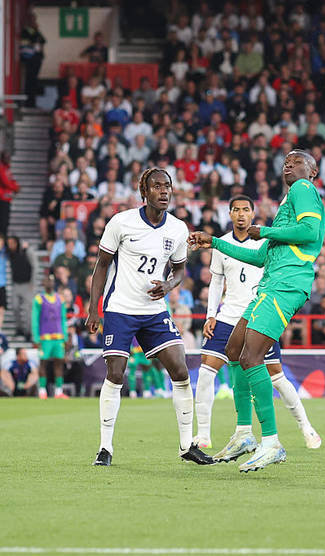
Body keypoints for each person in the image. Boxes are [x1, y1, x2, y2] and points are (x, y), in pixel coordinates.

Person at [189, 150, 325, 472]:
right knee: (234, 350)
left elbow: (310, 234)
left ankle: (271, 442)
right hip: (270, 283)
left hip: (287, 284)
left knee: (251, 357)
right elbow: (259, 257)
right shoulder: (286, 206)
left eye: (297, 160)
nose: (288, 164)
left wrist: (265, 231)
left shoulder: (303, 190)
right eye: (286, 161)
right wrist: (214, 243)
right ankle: (243, 433)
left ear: (312, 170)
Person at [86, 167, 214, 467]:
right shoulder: (122, 222)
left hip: (154, 310)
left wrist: (169, 284)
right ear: (145, 192)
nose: (164, 191)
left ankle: (187, 446)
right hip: (120, 308)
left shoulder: (178, 229)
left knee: (181, 370)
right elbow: (102, 265)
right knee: (116, 373)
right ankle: (105, 448)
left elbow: (180, 269)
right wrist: (94, 308)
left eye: (167, 186)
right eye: (157, 186)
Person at [32, 274, 68, 399]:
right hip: (45, 338)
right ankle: (42, 390)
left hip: (58, 337)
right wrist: (36, 337)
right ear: (43, 283)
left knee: (59, 363)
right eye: (47, 281)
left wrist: (65, 336)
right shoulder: (39, 299)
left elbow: (63, 318)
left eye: (51, 281)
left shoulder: (60, 299)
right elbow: (35, 319)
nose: (50, 283)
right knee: (43, 363)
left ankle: (59, 391)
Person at [6, 237, 34, 338]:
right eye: (9, 243)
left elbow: (34, 266)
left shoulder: (25, 252)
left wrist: (33, 283)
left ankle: (28, 332)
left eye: (12, 243)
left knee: (28, 309)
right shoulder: (9, 253)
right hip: (16, 285)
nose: (11, 245)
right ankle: (19, 328)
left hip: (27, 285)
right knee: (15, 306)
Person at [0, 152, 20, 237]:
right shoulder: (1, 168)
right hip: (2, 198)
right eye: (7, 157)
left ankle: (3, 238)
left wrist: (16, 186)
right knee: (3, 221)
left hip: (7, 198)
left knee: (5, 221)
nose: (9, 159)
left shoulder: (7, 169)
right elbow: (6, 182)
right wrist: (15, 188)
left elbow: (11, 180)